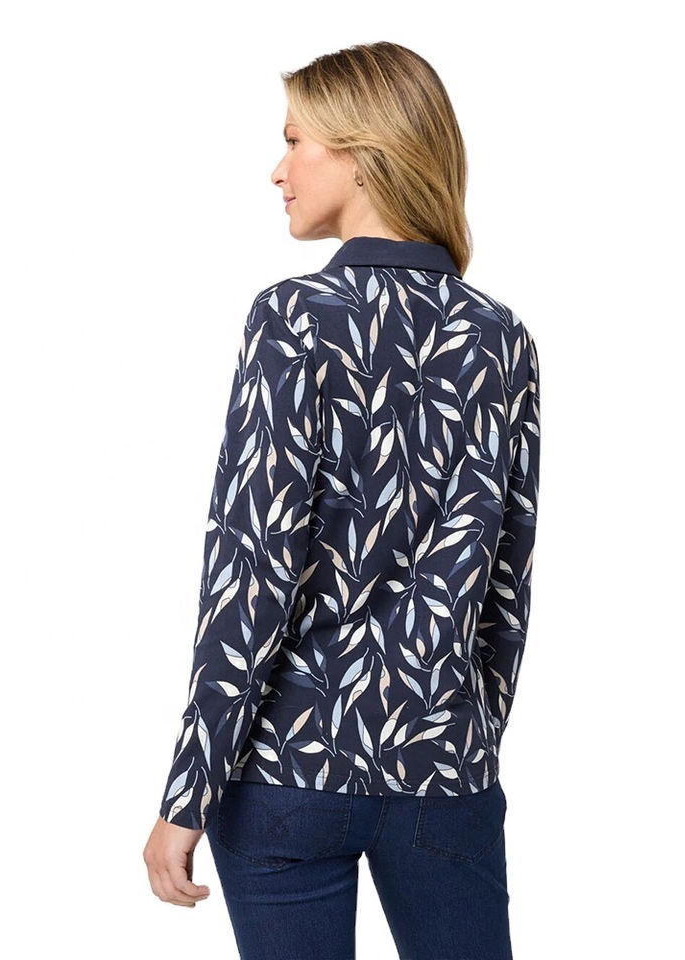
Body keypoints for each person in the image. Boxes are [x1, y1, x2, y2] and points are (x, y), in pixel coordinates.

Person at [143, 41, 541, 960]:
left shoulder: (293, 319)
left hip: (288, 767)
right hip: (444, 768)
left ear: (364, 153)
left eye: (295, 140)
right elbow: (506, 590)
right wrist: (463, 740)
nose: (277, 170)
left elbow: (253, 568)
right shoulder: (502, 338)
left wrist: (189, 791)